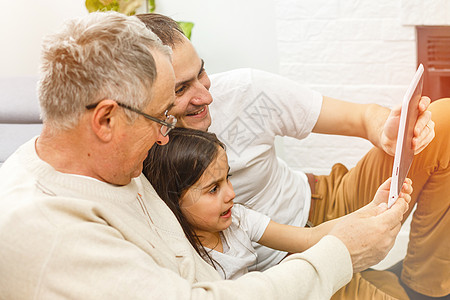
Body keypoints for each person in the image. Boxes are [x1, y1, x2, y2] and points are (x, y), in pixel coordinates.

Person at [0, 11, 411, 300]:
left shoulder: (110, 166)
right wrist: (340, 252)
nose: (167, 138)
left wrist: (349, 233)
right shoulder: (51, 232)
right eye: (163, 116)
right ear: (106, 121)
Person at [137, 13, 450, 299]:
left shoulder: (245, 91)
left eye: (201, 72)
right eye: (180, 90)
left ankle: (425, 288)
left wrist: (387, 131)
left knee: (444, 118)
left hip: (324, 198)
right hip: (284, 266)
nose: (206, 96)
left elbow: (363, 117)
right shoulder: (137, 162)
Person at [143, 127, 413, 280]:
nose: (230, 194)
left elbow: (310, 237)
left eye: (228, 179)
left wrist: (372, 209)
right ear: (173, 200)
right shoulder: (181, 257)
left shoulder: (238, 219)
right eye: (213, 189)